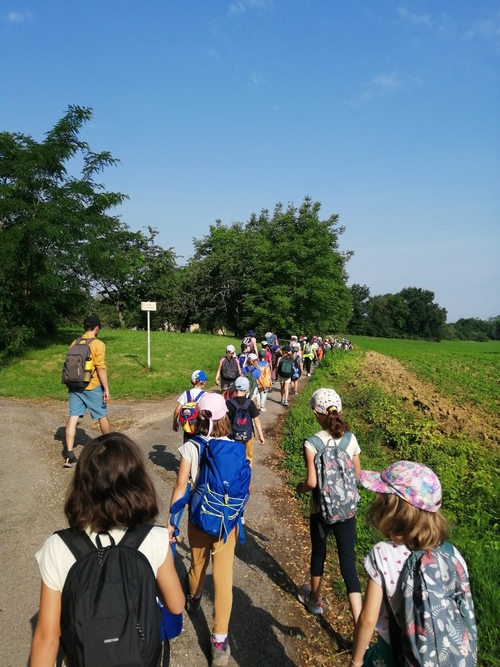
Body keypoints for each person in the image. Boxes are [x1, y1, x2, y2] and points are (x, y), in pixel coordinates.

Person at [30, 432, 184, 667]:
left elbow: (46, 638)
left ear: (81, 486)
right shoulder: (154, 538)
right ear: (138, 484)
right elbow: (175, 604)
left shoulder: (58, 547)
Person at [350, 461, 475, 667]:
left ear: (393, 510)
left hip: (391, 654)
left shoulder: (383, 554)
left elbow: (367, 620)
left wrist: (355, 661)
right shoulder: (453, 555)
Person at [169, 393, 246, 666]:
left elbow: (181, 486)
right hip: (228, 523)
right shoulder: (236, 446)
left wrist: (171, 521)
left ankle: (194, 596)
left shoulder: (192, 447)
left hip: (200, 519)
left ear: (199, 416)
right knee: (224, 577)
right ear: (225, 416)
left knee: (197, 564)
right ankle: (219, 640)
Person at [296, 388, 362, 625]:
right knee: (347, 562)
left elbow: (312, 482)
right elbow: (357, 475)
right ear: (340, 410)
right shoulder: (350, 439)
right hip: (347, 511)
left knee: (318, 553)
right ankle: (359, 623)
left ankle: (314, 599)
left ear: (316, 413)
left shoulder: (312, 443)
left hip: (321, 512)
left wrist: (299, 487)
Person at [64, 315, 110, 468]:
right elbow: (100, 368)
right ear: (97, 328)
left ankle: (69, 455)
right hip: (91, 386)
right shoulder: (98, 344)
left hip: (74, 385)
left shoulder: (74, 343)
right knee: (102, 416)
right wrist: (106, 389)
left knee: (73, 417)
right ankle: (112, 447)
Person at [227, 376, 265, 466]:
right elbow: (256, 420)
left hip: (233, 434)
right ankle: (246, 477)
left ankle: (235, 475)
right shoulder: (250, 403)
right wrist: (261, 435)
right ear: (247, 389)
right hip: (248, 434)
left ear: (235, 388)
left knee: (234, 456)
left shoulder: (229, 403)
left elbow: (225, 421)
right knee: (248, 457)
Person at [172, 370, 208, 442]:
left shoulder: (186, 394)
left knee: (187, 447)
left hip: (188, 425)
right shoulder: (205, 395)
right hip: (200, 426)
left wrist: (175, 423)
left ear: (192, 382)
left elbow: (176, 411)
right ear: (203, 382)